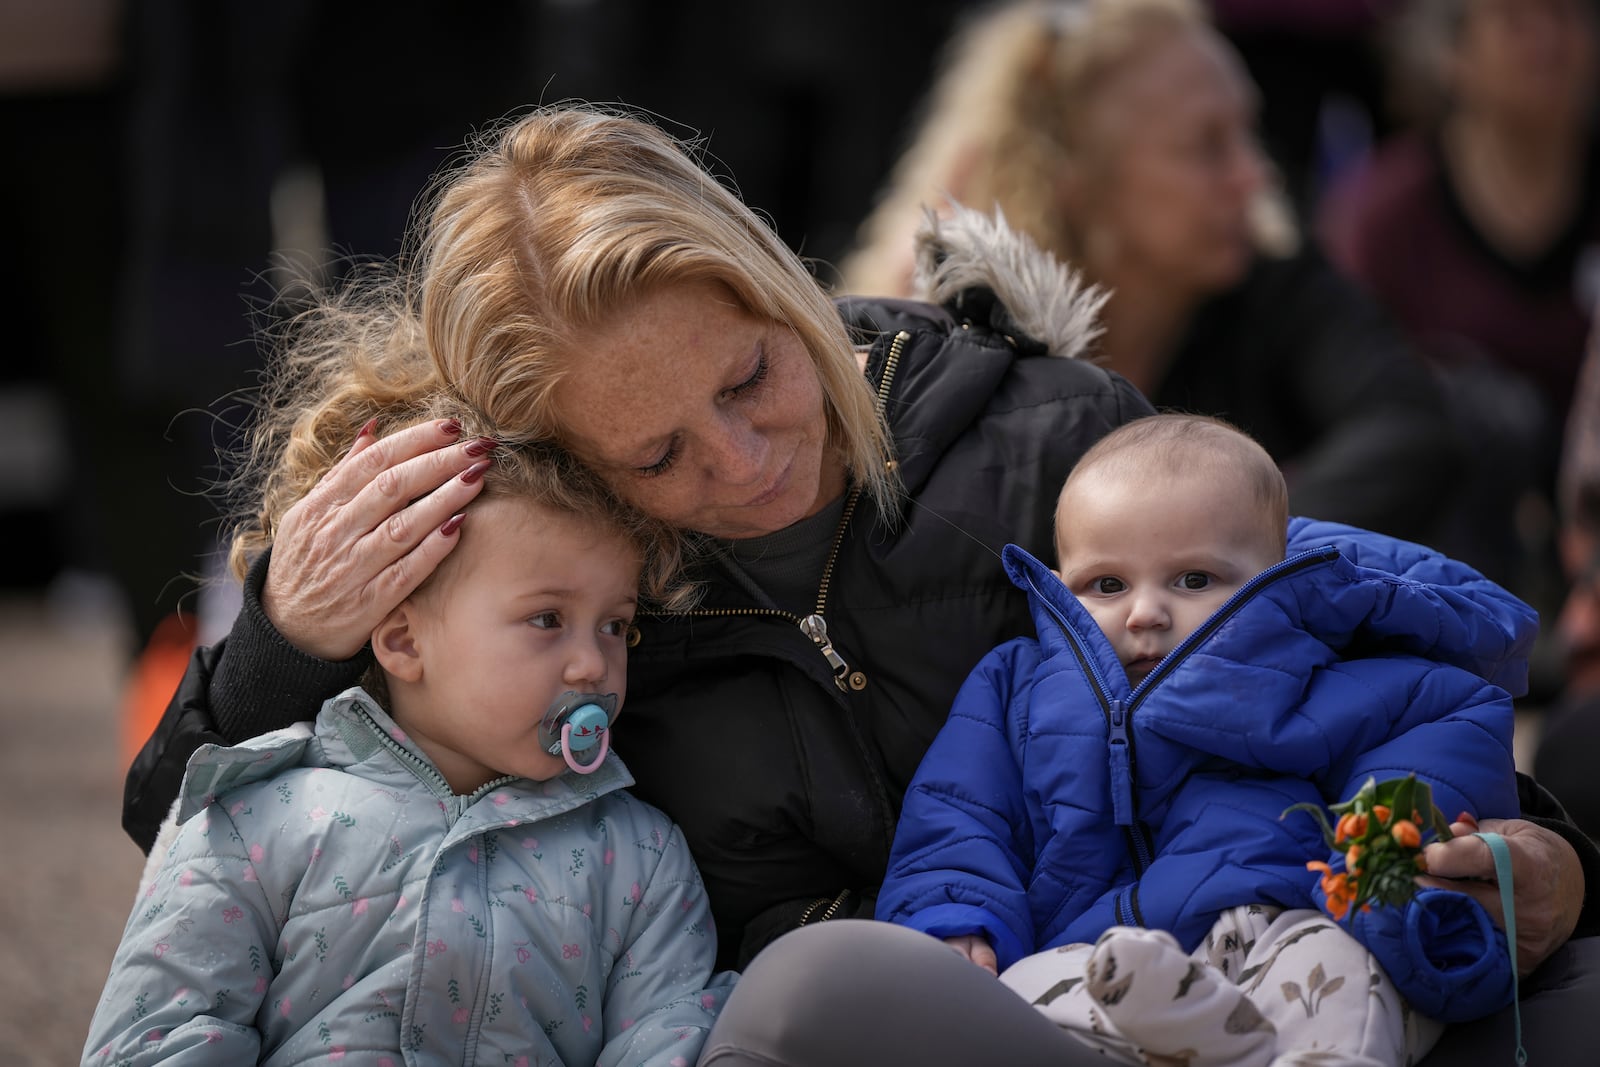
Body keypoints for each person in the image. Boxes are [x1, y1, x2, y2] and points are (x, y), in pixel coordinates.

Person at [118, 105, 1594, 1064]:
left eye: (753, 376)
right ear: (569, 465)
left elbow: (1346, 646)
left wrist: (1548, 858)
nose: (746, 459)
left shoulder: (1049, 432)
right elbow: (201, 841)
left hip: (1259, 972)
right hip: (935, 1032)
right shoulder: (571, 599)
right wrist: (284, 648)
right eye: (659, 457)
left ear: (775, 282)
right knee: (807, 993)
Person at [84, 377, 735, 1062]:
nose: (590, 665)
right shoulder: (258, 818)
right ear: (402, 640)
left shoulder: (640, 857)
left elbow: (666, 1033)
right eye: (547, 618)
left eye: (614, 625)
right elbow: (160, 1034)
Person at [877, 414, 1526, 1065]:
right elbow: (959, 814)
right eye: (1108, 584)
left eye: (1194, 580)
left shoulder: (1326, 674)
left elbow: (1442, 734)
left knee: (1341, 968)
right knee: (1022, 992)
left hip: (1273, 924)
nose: (1145, 612)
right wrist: (957, 915)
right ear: (1060, 580)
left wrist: (1383, 857)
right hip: (1099, 958)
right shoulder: (1017, 687)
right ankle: (1208, 1036)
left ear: (1272, 575)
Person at [840, 0, 1458, 544]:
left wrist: (1211, 546)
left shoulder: (1268, 280)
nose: (1256, 176)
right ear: (1074, 177)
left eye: (1249, 133)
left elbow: (1409, 427)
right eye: (1207, 145)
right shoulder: (965, 328)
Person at [1317, 0, 1599, 598]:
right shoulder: (1381, 215)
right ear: (1451, 53)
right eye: (1515, 20)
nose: (1549, 40)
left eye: (1570, 14)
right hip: (1447, 540)